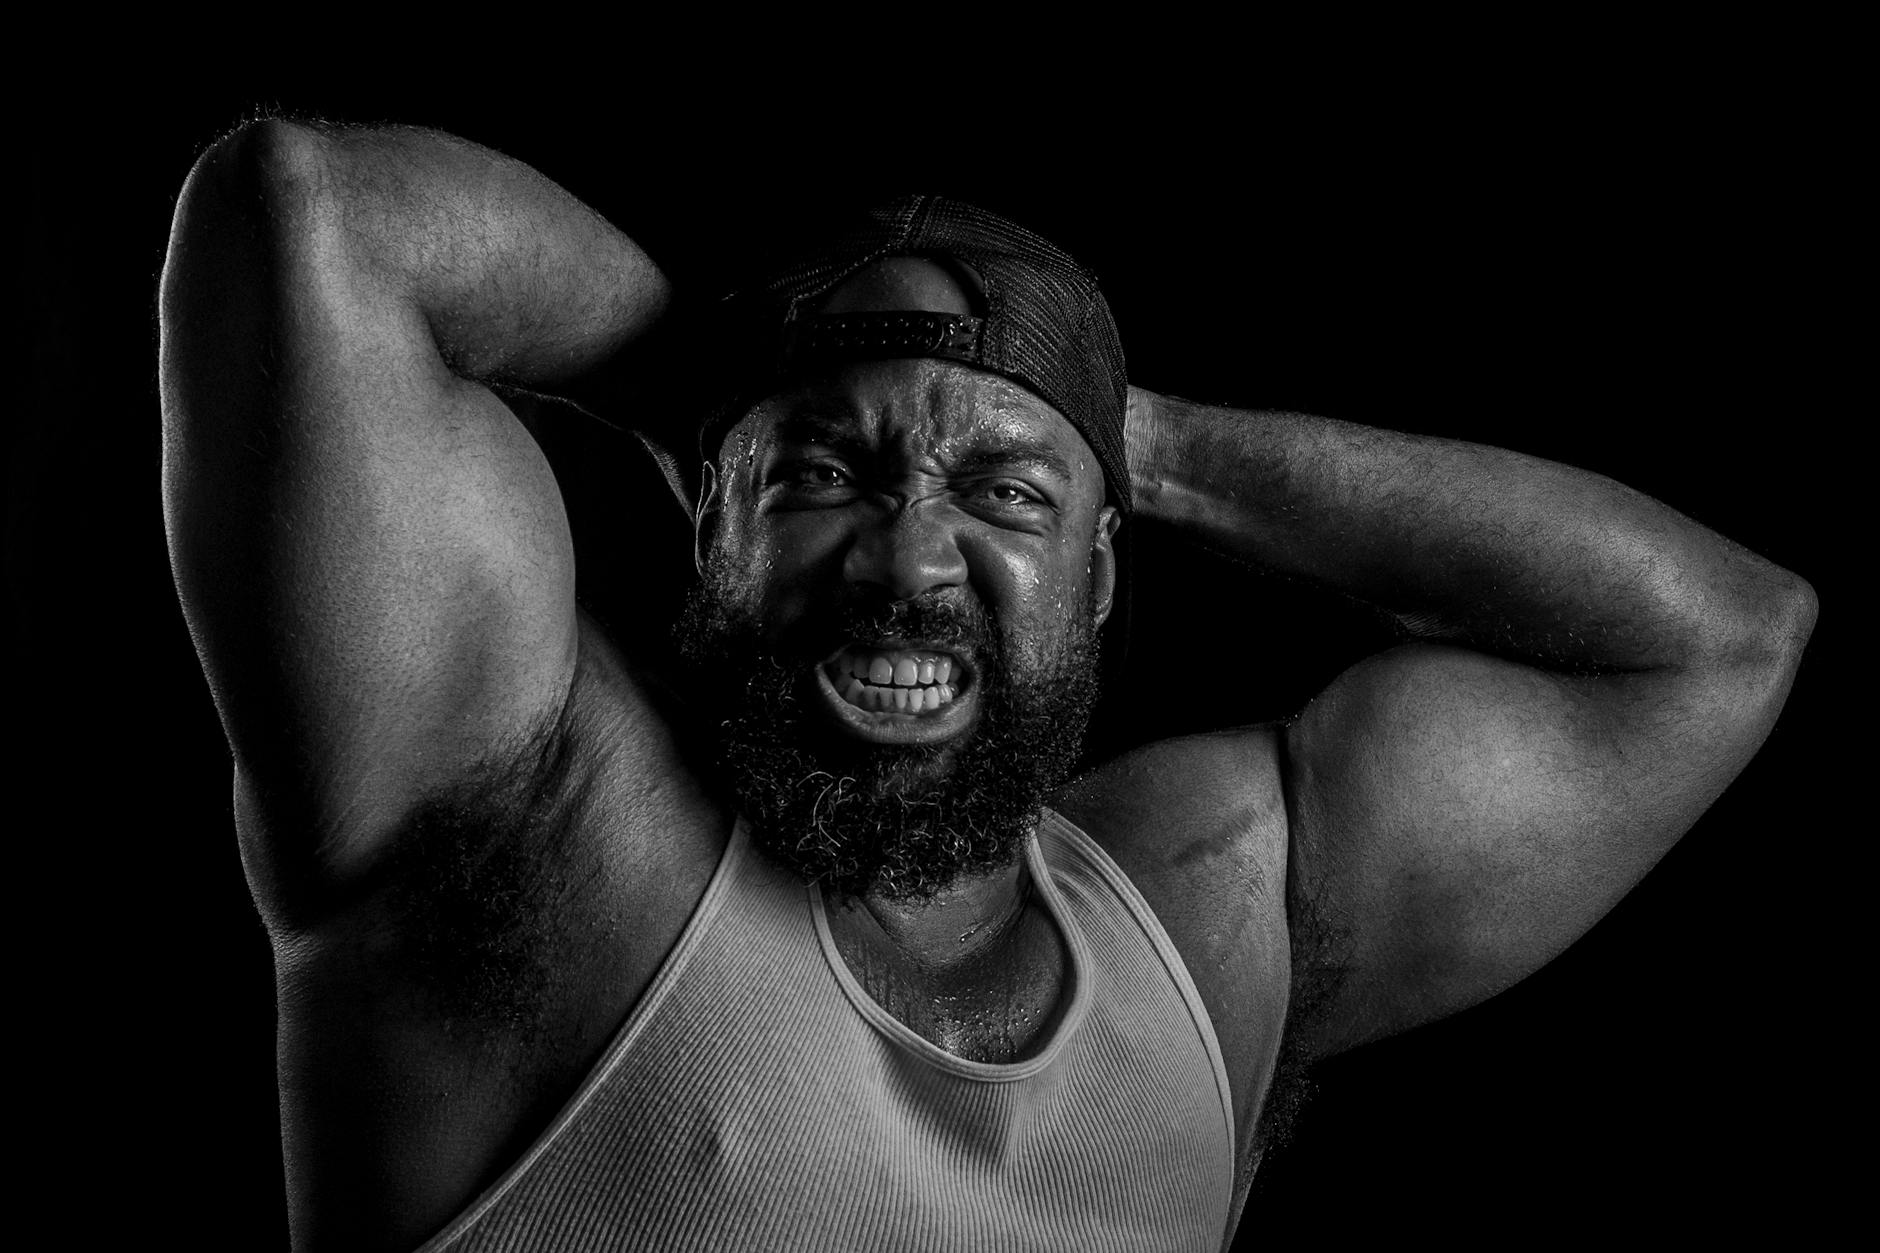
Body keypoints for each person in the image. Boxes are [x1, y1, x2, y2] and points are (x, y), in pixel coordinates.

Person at [159, 119, 1816, 1253]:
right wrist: (723, 380)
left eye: (1007, 496)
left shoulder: (1208, 922)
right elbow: (311, 213)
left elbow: (1714, 640)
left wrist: (1136, 436)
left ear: (1101, 571)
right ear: (713, 520)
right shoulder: (530, 832)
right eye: (826, 476)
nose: (910, 560)